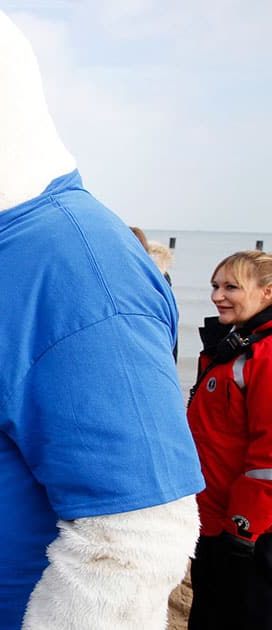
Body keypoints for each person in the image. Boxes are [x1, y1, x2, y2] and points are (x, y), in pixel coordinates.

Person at [188, 250, 272, 629]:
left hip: (248, 534)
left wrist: (243, 529)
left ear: (267, 292)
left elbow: (268, 457)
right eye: (215, 286)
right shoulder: (231, 347)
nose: (218, 295)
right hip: (212, 518)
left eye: (231, 287)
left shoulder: (264, 356)